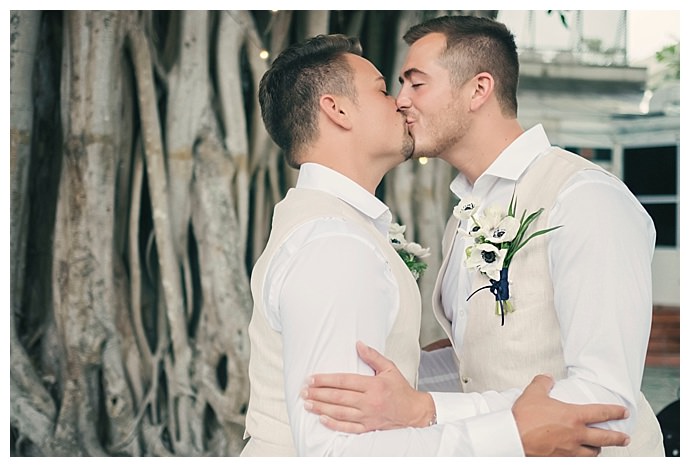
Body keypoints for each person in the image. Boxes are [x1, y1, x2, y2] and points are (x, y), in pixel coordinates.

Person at [241, 32, 631, 457]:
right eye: (386, 89)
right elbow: (335, 450)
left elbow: (600, 392)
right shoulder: (334, 243)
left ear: (479, 88)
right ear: (335, 109)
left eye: (415, 84)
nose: (401, 101)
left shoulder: (580, 196)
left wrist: (424, 404)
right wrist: (500, 432)